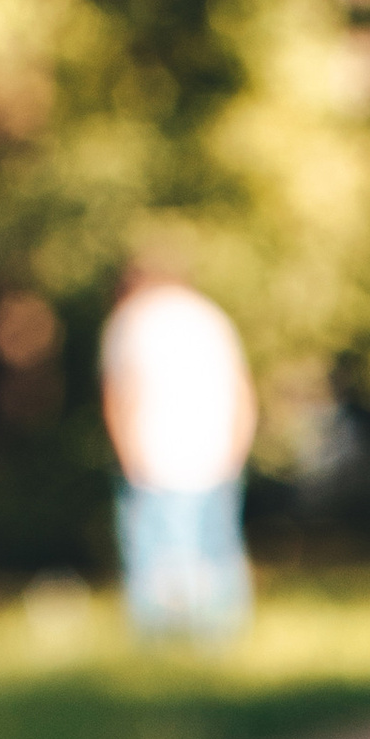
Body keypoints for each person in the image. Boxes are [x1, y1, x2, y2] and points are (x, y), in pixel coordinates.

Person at [99, 253, 255, 637]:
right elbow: (241, 392)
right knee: (216, 555)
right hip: (215, 454)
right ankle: (219, 639)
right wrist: (237, 450)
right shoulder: (210, 317)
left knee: (153, 559)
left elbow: (121, 395)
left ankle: (158, 641)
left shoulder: (132, 319)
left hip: (153, 455)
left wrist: (127, 454)